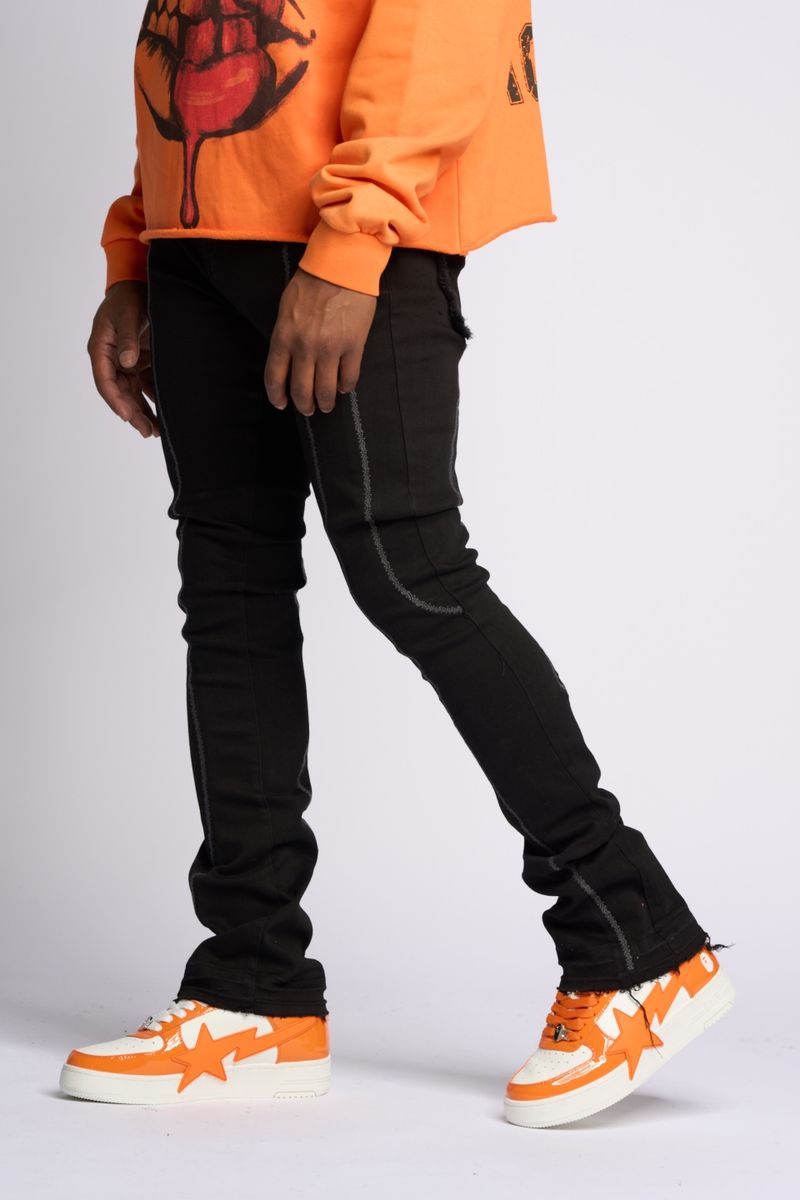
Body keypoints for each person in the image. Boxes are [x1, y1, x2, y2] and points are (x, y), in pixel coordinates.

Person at [59, 0, 733, 1126]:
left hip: (348, 234)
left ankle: (638, 941)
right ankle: (252, 988)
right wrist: (138, 243)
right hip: (196, 237)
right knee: (227, 590)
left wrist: (353, 238)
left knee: (413, 572)